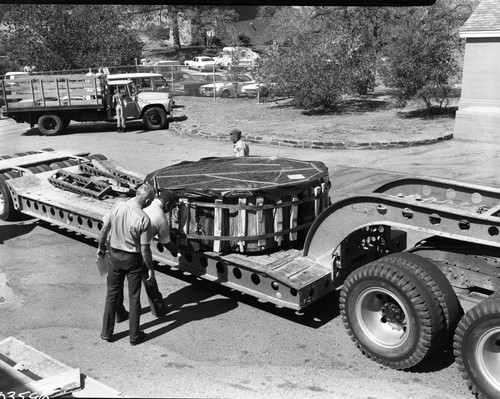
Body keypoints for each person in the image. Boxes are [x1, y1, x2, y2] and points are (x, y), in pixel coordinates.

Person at [97, 183, 155, 346]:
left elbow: (104, 230)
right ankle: (134, 336)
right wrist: (150, 268)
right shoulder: (144, 219)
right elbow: (145, 250)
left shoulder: (118, 206)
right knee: (134, 297)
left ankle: (106, 332)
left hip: (114, 255)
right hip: (132, 259)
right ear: (148, 200)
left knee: (112, 294)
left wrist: (101, 248)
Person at [115, 189, 179, 320]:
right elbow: (166, 242)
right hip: (137, 250)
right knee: (149, 278)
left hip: (119, 242)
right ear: (167, 204)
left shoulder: (138, 201)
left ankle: (119, 313)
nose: (171, 210)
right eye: (172, 207)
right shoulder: (161, 218)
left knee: (118, 283)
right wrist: (177, 250)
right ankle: (158, 309)